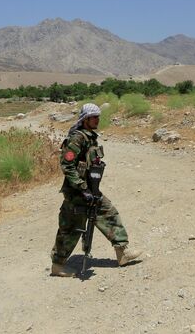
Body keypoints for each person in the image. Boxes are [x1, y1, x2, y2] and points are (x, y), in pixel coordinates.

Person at [50, 103, 142, 277]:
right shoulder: (77, 138)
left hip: (90, 190)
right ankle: (58, 265)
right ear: (85, 119)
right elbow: (67, 165)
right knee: (71, 228)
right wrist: (81, 187)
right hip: (76, 193)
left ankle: (122, 252)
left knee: (109, 213)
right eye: (94, 117)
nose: (97, 120)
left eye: (98, 116)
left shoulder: (90, 138)